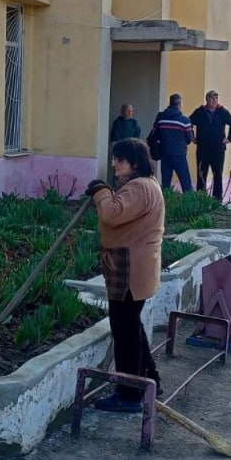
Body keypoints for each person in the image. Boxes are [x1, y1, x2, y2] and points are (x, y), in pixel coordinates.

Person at [83, 138, 165, 412]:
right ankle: (150, 382)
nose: (114, 164)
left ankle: (129, 395)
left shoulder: (139, 187)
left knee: (125, 332)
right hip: (134, 267)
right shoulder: (146, 184)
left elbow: (111, 213)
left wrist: (101, 192)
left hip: (131, 269)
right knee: (131, 326)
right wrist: (106, 191)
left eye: (119, 159)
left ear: (135, 163)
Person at [189, 90, 231, 200]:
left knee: (218, 175)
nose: (215, 100)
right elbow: (188, 123)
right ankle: (201, 199)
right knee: (201, 175)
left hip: (218, 149)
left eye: (216, 98)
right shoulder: (200, 112)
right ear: (207, 99)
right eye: (212, 98)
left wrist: (229, 138)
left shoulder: (222, 112)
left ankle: (217, 201)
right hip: (203, 149)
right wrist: (191, 137)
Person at [152, 93, 194, 192]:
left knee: (166, 184)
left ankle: (166, 200)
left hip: (165, 153)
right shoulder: (185, 121)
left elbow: (157, 135)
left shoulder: (161, 119)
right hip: (179, 154)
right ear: (179, 104)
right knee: (186, 184)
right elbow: (189, 139)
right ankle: (189, 201)